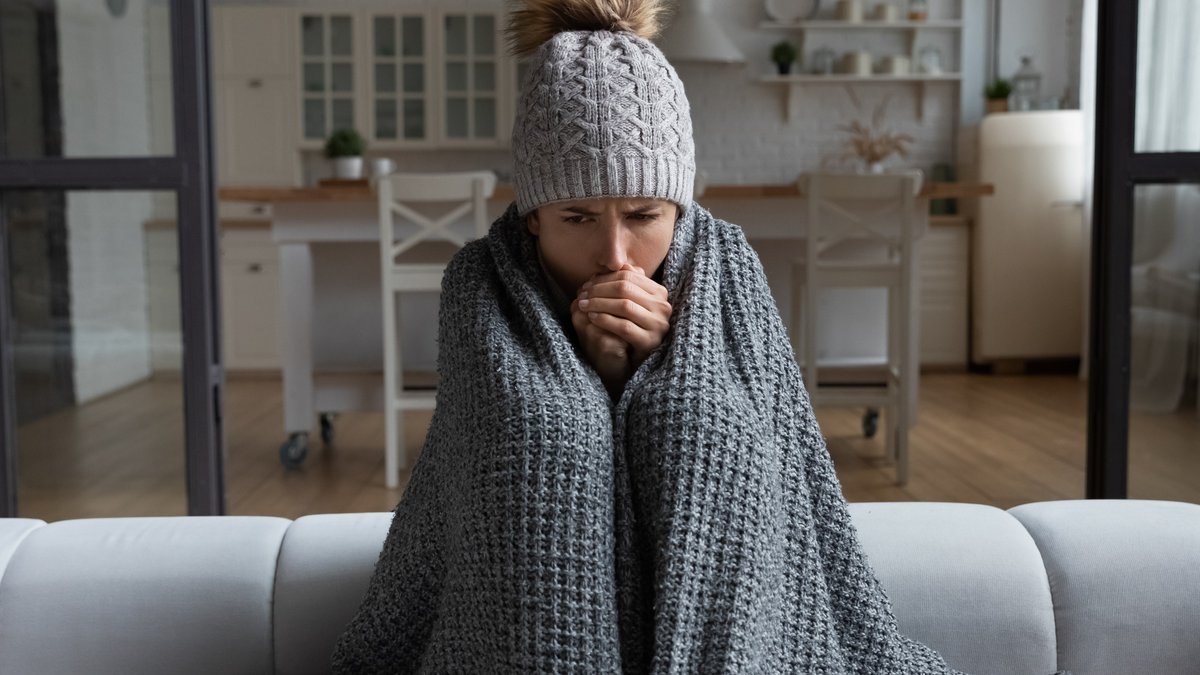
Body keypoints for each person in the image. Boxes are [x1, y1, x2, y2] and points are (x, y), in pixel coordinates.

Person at [331, 0, 966, 672]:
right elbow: (499, 463)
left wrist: (659, 368)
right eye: (577, 215)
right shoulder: (479, 285)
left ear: (679, 207)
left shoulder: (725, 266)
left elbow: (772, 461)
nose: (615, 252)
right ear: (533, 219)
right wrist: (597, 374)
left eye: (643, 214)